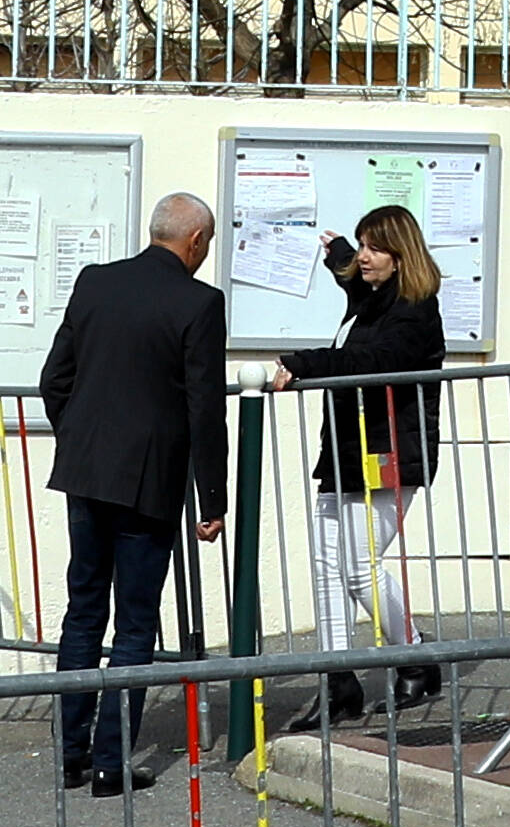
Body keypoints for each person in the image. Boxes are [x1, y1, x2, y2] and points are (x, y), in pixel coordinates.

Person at [38, 192, 232, 794]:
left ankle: (71, 754)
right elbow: (205, 407)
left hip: (85, 471)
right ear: (196, 241)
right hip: (147, 480)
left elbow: (55, 379)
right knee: (134, 624)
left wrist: (77, 438)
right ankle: (109, 762)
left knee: (84, 609)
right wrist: (212, 499)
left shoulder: (95, 282)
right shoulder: (199, 302)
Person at [264, 204, 452, 723]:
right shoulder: (376, 297)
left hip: (389, 453)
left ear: (400, 256)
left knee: (358, 567)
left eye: (373, 248)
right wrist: (341, 256)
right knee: (328, 568)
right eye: (363, 246)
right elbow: (360, 292)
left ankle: (417, 657)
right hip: (345, 451)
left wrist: (303, 363)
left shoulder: (415, 312)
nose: (364, 257)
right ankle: (337, 681)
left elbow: (372, 361)